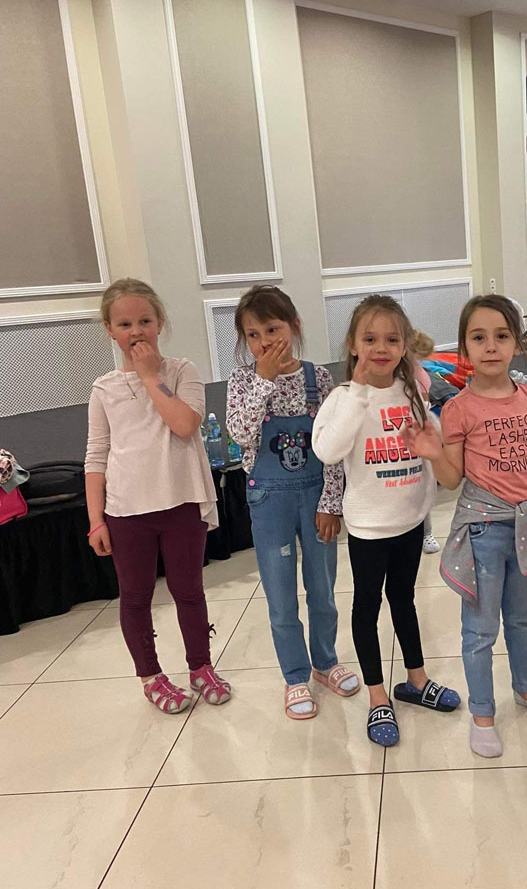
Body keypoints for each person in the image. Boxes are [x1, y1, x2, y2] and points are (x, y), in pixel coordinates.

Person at [401, 294, 527, 759]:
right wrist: (432, 452)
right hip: (484, 531)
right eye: (479, 337)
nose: (491, 346)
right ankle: (482, 714)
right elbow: (452, 478)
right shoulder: (459, 408)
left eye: (501, 336)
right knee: (479, 630)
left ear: (517, 343)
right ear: (464, 348)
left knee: (523, 618)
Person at [312, 294, 461, 747]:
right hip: (369, 528)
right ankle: (378, 697)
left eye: (392, 339)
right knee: (366, 606)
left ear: (404, 345)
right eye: (370, 339)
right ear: (353, 345)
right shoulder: (342, 397)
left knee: (404, 600)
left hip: (410, 521)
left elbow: (429, 440)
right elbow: (328, 451)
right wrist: (358, 394)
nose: (381, 347)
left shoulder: (412, 389)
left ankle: (416, 680)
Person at [85, 278, 231, 713]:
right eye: (124, 324)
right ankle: (150, 676)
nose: (136, 332)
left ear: (160, 323)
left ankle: (200, 665)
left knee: (189, 591)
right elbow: (96, 456)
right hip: (127, 511)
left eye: (145, 321)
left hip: (181, 502)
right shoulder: (104, 388)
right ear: (109, 330)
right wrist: (96, 520)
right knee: (135, 596)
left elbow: (185, 425)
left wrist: (150, 378)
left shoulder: (182, 371)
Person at [226, 285, 359, 720]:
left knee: (322, 589)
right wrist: (263, 379)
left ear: (294, 326)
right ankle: (295, 675)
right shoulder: (243, 381)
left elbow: (333, 448)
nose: (264, 341)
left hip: (315, 497)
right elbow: (241, 434)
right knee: (281, 596)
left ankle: (325, 661)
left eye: (272, 329)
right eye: (252, 335)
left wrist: (332, 503)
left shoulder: (318, 379)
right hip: (269, 501)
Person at [408, 328, 440, 555]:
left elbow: (424, 407)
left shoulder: (419, 374)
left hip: (417, 435)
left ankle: (426, 532)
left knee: (422, 486)